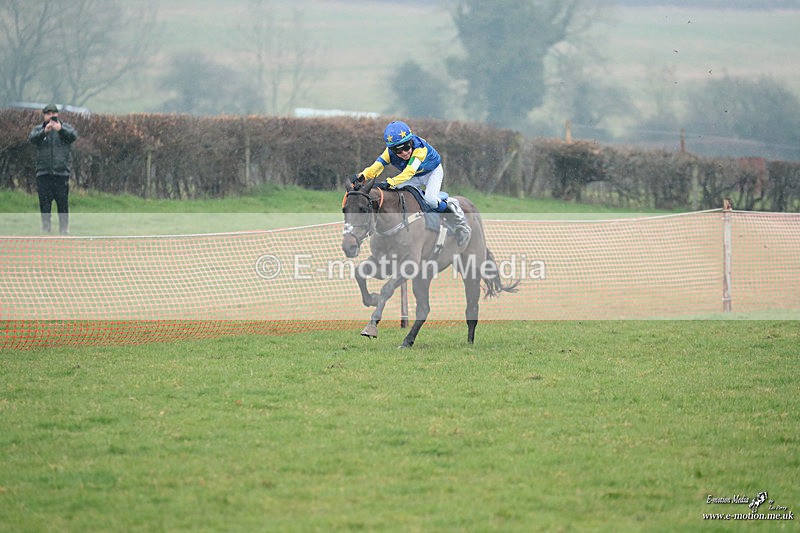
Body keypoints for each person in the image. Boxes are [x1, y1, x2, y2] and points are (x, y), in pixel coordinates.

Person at [354, 120, 471, 246]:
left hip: (432, 173)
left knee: (430, 200)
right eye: (398, 151)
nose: (404, 153)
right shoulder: (388, 152)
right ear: (391, 149)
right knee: (393, 192)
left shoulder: (419, 148)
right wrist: (361, 177)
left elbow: (409, 172)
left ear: (411, 141)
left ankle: (453, 212)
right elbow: (376, 167)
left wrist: (391, 182)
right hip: (415, 175)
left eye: (406, 147)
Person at [28, 103, 78, 234]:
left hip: (61, 173)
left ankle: (64, 229)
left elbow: (73, 136)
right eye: (48, 114)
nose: (51, 116)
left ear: (57, 114)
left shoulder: (64, 128)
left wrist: (60, 129)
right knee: (44, 204)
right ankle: (46, 228)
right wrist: (45, 131)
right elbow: (32, 139)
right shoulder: (39, 129)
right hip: (43, 173)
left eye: (53, 113)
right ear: (44, 116)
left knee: (62, 204)